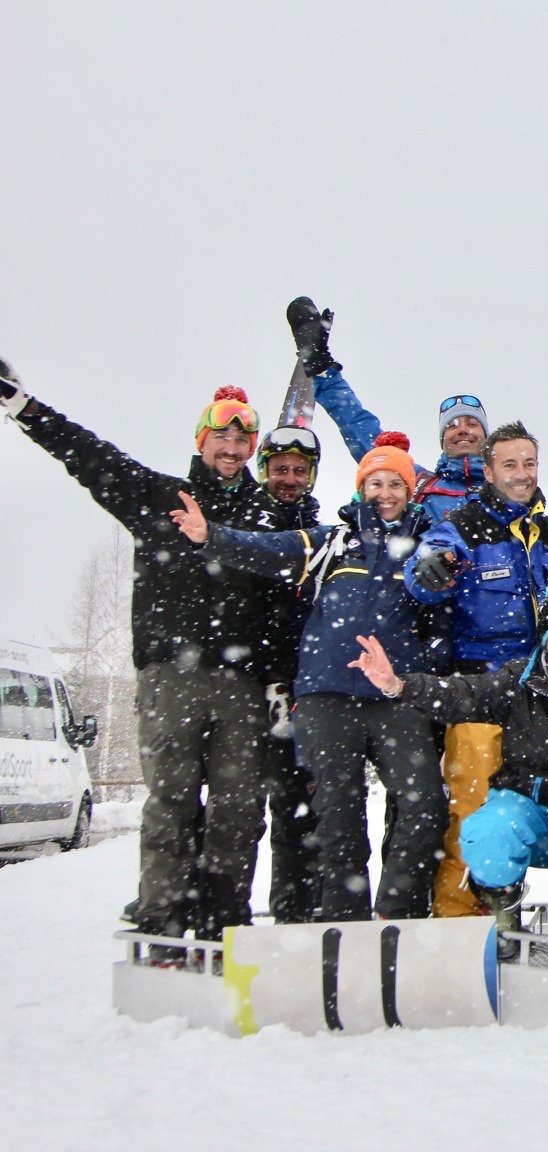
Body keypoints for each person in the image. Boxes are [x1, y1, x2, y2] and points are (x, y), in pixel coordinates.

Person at [2, 364, 277, 953]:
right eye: (220, 438)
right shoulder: (157, 496)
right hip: (170, 678)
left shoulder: (267, 515)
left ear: (252, 448)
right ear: (201, 441)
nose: (231, 449)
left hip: (242, 685)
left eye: (241, 440)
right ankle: (162, 917)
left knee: (238, 805)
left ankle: (223, 917)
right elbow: (87, 454)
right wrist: (23, 405)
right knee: (172, 800)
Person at [171, 432, 449, 921]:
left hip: (395, 694)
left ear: (410, 492)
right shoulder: (331, 542)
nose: (385, 493)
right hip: (327, 695)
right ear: (362, 488)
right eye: (375, 483)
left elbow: (443, 622)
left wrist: (428, 668)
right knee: (338, 819)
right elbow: (269, 549)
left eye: (395, 484)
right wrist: (209, 535)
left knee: (424, 805)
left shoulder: (427, 546)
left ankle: (393, 915)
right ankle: (343, 920)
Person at [349, 577, 548, 959]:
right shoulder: (517, 680)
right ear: (545, 639)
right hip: (527, 810)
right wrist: (399, 686)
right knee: (485, 828)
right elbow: (460, 695)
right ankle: (503, 910)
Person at [406, 420, 548, 916]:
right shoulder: (466, 523)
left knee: (527, 813)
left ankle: (507, 909)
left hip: (543, 696)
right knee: (471, 808)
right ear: (491, 470)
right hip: (480, 688)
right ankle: (458, 914)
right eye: (510, 464)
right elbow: (425, 566)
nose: (521, 474)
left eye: (529, 463)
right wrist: (432, 567)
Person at [287, 296, 489, 521]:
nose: (462, 430)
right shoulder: (414, 481)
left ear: (487, 438)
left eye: (472, 424)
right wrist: (322, 368)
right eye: (452, 426)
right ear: (442, 440)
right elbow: (360, 428)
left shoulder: (508, 491)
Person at [249, 424, 326, 924]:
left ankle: (308, 907)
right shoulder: (254, 525)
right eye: (281, 470)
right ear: (265, 473)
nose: (291, 479)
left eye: (300, 471)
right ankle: (279, 911)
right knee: (265, 803)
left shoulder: (322, 530)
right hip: (261, 679)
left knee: (311, 802)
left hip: (310, 682)